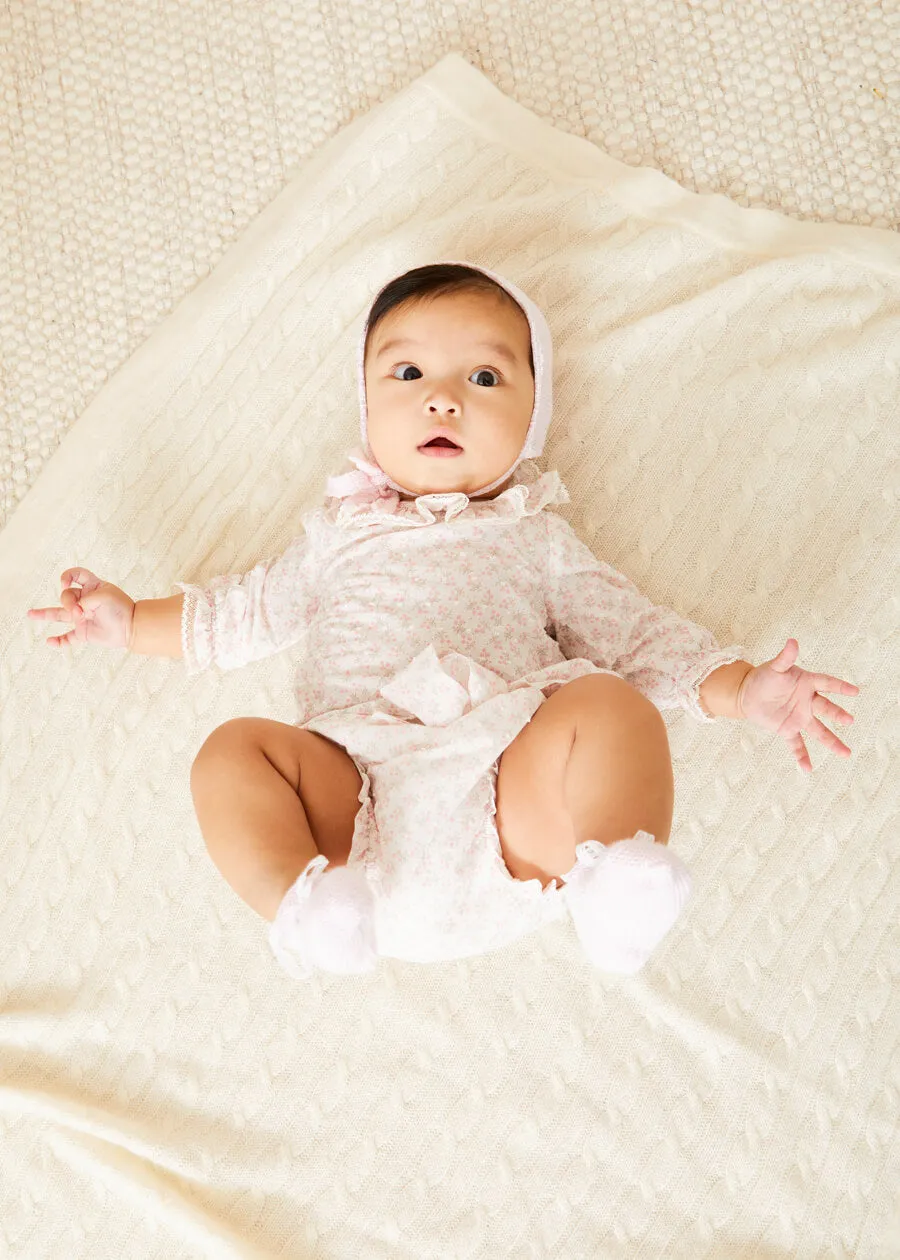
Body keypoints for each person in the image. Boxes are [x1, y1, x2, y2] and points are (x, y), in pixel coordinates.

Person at [26, 261, 860, 980]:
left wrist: (744, 688)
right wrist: (131, 621)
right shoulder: (336, 539)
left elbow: (639, 635)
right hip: (356, 818)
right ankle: (302, 904)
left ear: (533, 419)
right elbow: (236, 616)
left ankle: (617, 890)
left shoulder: (535, 538)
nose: (444, 403)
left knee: (612, 703)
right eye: (407, 376)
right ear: (366, 411)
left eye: (485, 379)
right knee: (230, 753)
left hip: (511, 805)